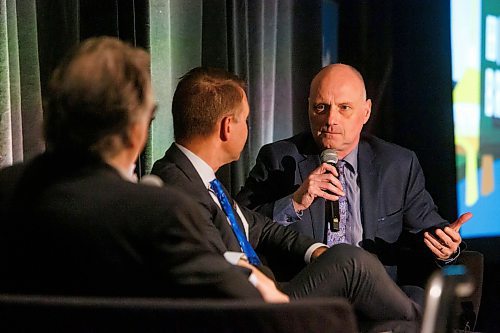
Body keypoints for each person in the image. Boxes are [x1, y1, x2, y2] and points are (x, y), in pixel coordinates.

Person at [0, 36, 278, 301]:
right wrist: (254, 279)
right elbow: (252, 308)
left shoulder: (7, 190)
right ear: (136, 132)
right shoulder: (158, 214)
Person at [151, 66, 422, 327]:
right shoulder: (179, 187)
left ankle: (423, 322)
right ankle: (429, 322)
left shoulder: (201, 180)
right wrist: (262, 286)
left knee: (402, 316)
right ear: (227, 128)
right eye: (245, 120)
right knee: (350, 263)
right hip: (251, 308)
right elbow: (211, 267)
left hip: (262, 297)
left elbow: (260, 227)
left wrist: (315, 251)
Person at [235, 63, 471, 293]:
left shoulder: (397, 165)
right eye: (321, 107)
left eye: (344, 108)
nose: (330, 120)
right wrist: (295, 202)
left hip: (374, 295)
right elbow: (236, 226)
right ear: (308, 108)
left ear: (366, 111)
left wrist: (446, 247)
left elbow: (429, 228)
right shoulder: (279, 159)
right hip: (306, 294)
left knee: (415, 301)